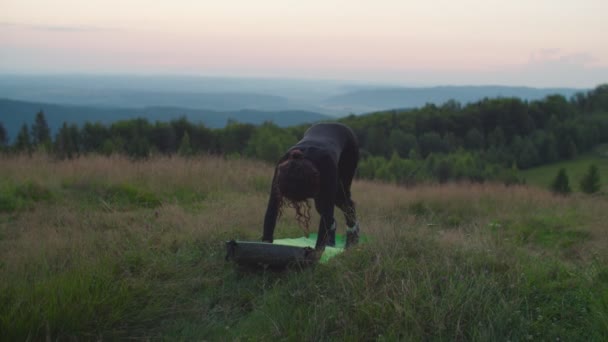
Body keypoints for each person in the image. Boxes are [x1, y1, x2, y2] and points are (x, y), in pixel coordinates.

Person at [262, 122, 360, 250]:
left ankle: (353, 228)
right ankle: (331, 229)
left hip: (346, 142)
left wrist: (318, 253)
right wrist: (265, 244)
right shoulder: (284, 164)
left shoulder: (327, 163)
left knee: (340, 197)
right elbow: (272, 207)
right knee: (321, 204)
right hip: (315, 131)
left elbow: (327, 212)